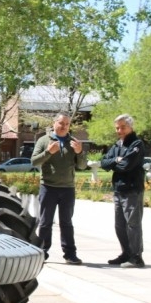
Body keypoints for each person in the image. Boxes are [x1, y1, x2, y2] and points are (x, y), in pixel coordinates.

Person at [31, 111, 87, 264]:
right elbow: (34, 161)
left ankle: (70, 254)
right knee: (45, 222)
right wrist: (48, 152)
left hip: (68, 189)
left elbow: (82, 166)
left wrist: (79, 152)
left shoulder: (74, 142)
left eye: (67, 124)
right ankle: (42, 252)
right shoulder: (44, 140)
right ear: (54, 123)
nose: (64, 126)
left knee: (66, 223)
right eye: (61, 123)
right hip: (48, 188)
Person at [100, 114, 146, 268]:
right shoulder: (117, 145)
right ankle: (126, 253)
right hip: (118, 190)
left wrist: (117, 163)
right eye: (117, 128)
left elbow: (126, 165)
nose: (119, 130)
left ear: (130, 127)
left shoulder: (136, 144)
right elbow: (104, 163)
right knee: (119, 225)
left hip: (132, 190)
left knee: (133, 224)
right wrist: (115, 160)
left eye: (122, 127)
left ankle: (136, 257)